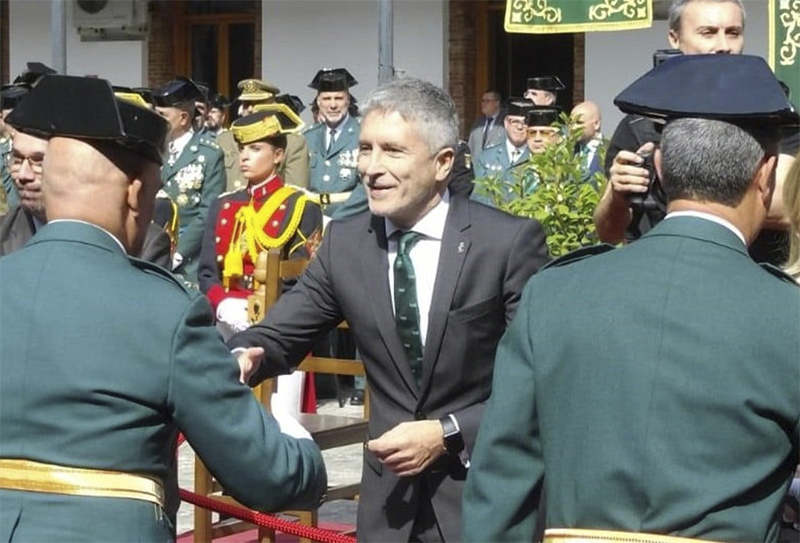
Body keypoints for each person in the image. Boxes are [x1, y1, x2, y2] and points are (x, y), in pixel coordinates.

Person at [462, 54, 800, 542]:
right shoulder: (787, 315)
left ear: (658, 166)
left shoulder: (556, 293)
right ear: (766, 174)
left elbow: (501, 484)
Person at [0, 74, 326, 542]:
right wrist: (300, 445)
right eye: (153, 194)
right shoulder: (164, 310)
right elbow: (269, 475)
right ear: (135, 194)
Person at [230, 76, 550, 542]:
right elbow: (281, 332)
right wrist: (246, 352)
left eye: (392, 151)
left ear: (442, 163)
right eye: (365, 149)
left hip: (483, 497)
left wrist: (449, 432)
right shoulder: (346, 244)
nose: (371, 168)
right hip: (390, 506)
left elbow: (539, 377)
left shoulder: (507, 243)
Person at [198, 103, 323, 415]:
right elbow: (206, 271)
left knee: (279, 419)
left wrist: (269, 312)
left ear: (278, 155)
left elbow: (303, 278)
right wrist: (222, 303)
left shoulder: (300, 205)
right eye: (242, 149)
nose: (244, 157)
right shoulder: (224, 205)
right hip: (229, 323)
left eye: (255, 148)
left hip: (280, 327)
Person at [594, 0, 750, 244]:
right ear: (674, 38)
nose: (723, 46)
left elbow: (788, 209)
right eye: (708, 33)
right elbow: (608, 233)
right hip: (658, 269)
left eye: (733, 33)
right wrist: (617, 195)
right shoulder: (640, 125)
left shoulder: (771, 116)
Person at [153, 77, 226, 283]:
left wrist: (180, 252)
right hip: (151, 248)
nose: (157, 120)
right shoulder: (153, 150)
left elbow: (208, 211)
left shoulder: (209, 155)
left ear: (183, 118)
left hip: (189, 258)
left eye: (163, 116)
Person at [218, 79, 311, 192]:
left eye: (258, 104)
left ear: (273, 106)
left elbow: (296, 191)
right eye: (246, 105)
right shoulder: (224, 140)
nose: (251, 109)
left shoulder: (292, 142)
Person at [303, 68, 361, 216]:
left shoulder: (363, 134)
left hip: (349, 218)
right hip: (313, 219)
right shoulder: (307, 137)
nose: (333, 105)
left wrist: (342, 216)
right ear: (319, 102)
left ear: (348, 100)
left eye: (339, 98)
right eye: (327, 99)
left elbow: (367, 188)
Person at [472, 98, 533, 186]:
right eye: (514, 122)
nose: (519, 127)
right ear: (506, 123)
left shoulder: (536, 158)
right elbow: (479, 195)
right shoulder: (486, 157)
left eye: (525, 123)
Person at [571, 100, 604, 184]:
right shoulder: (568, 151)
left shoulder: (610, 151)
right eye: (571, 123)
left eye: (579, 122)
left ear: (596, 124)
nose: (573, 127)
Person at [467, 90, 506, 155]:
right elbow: (470, 148)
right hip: (477, 164)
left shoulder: (504, 123)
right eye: (483, 101)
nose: (484, 104)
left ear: (497, 103)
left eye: (487, 101)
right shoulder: (478, 123)